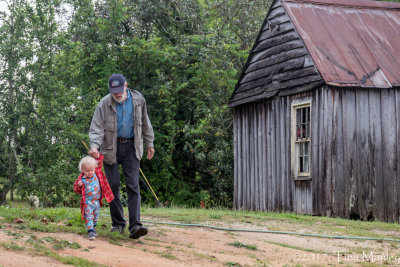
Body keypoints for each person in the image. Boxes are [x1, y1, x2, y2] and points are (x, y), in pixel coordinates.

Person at [88, 73, 155, 239]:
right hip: (111, 148)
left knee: (133, 185)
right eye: (114, 91)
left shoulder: (139, 100)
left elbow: (145, 122)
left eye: (119, 90)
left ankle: (135, 226)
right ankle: (118, 224)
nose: (117, 94)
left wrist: (150, 143)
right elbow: (96, 127)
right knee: (112, 186)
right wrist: (94, 146)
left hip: (132, 146)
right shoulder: (104, 103)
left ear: (126, 86)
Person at [74, 154, 114, 240]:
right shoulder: (81, 180)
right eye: (87, 170)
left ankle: (93, 227)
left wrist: (96, 154)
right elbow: (76, 189)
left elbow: (99, 161)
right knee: (89, 216)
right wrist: (79, 186)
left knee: (95, 216)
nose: (90, 172)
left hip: (96, 202)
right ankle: (90, 231)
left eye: (91, 170)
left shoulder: (97, 173)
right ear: (82, 170)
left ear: (94, 168)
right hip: (88, 202)